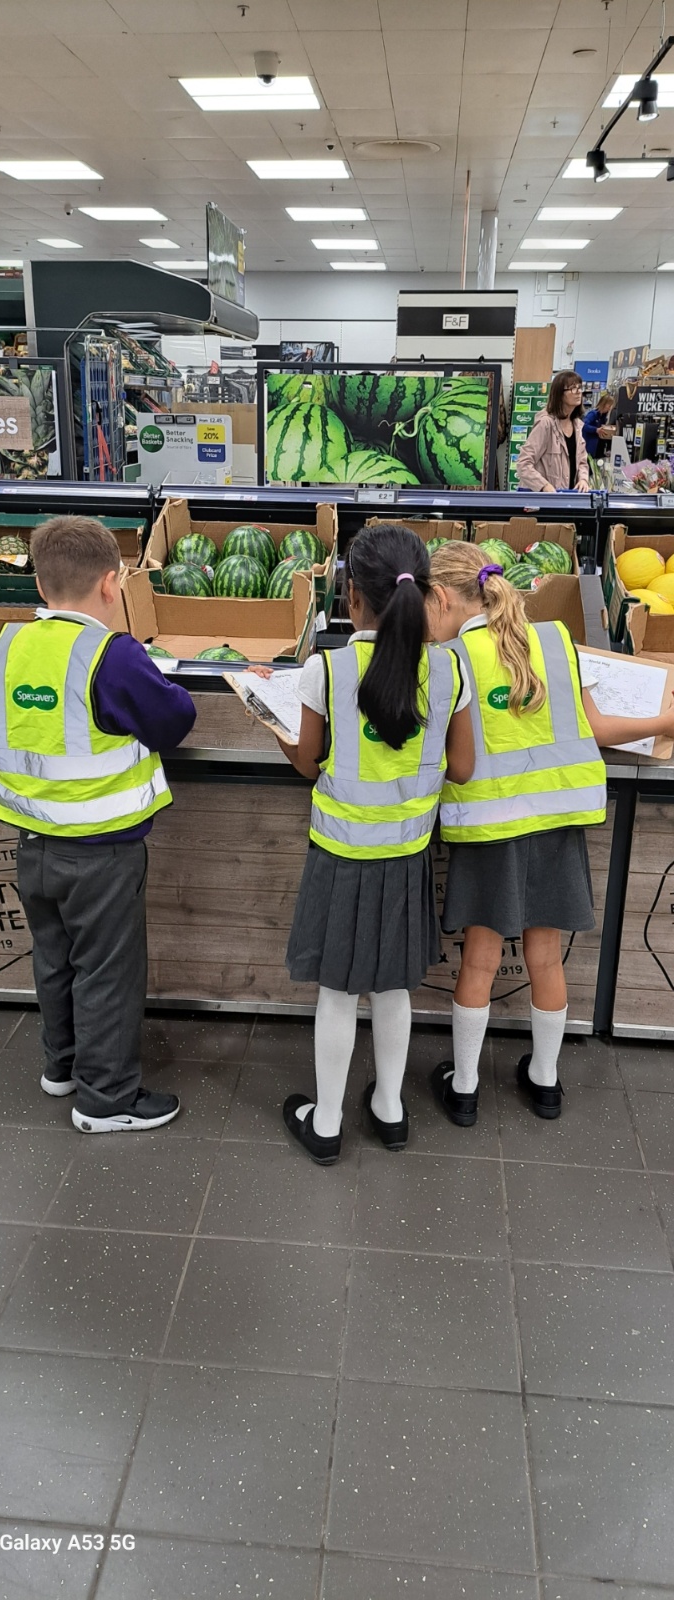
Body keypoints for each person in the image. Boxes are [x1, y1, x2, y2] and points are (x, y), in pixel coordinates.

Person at [0, 515, 197, 1134]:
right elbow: (174, 721)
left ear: (39, 584)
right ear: (112, 584)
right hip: (102, 854)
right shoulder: (113, 655)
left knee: (55, 959)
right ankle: (106, 1099)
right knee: (108, 972)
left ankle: (61, 1067)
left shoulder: (3, 646)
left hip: (32, 845)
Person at [426, 541, 674, 1126]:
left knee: (480, 960)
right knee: (546, 957)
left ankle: (464, 1089)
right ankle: (545, 1082)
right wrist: (666, 720)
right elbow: (596, 728)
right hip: (558, 825)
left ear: (443, 599)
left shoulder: (449, 660)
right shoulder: (557, 643)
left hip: (489, 829)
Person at [272, 523, 474, 1164]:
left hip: (340, 858)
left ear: (351, 596)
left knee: (337, 991)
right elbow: (462, 768)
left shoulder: (327, 669)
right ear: (426, 593)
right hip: (407, 858)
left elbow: (309, 763)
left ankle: (327, 1123)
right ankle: (389, 1110)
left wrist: (271, 724)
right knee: (393, 989)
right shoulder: (449, 668)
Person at [516, 369, 589, 493]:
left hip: (567, 498)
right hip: (543, 500)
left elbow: (582, 461)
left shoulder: (577, 425)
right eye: (572, 388)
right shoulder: (546, 423)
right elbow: (523, 463)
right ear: (559, 394)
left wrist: (583, 480)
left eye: (580, 388)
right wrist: (544, 486)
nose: (578, 392)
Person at [582, 389, 616, 460]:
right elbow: (584, 425)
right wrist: (596, 430)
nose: (610, 407)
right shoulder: (593, 414)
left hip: (599, 448)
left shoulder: (604, 416)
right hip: (589, 448)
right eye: (609, 405)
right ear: (604, 404)